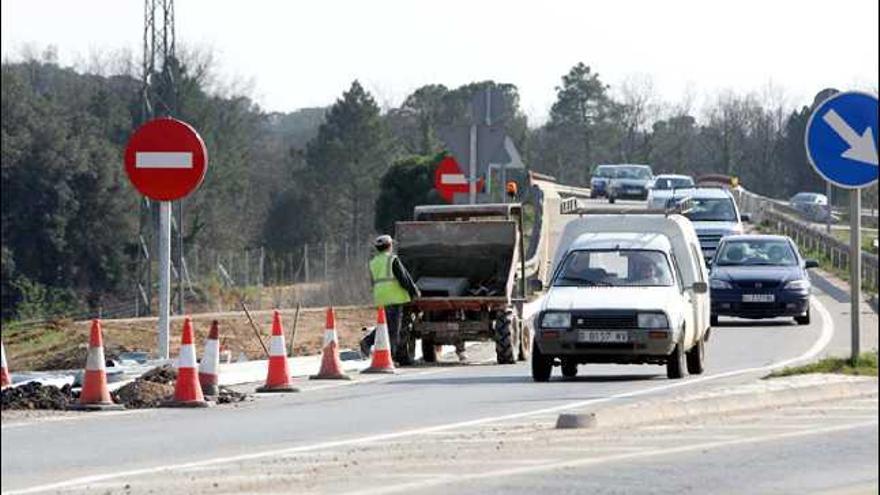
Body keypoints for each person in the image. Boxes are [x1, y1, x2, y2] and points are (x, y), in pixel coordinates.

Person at [360, 235, 420, 360]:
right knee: (393, 330)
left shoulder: (373, 262)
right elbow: (404, 278)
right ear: (390, 246)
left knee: (386, 325)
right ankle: (389, 356)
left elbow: (373, 282)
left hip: (381, 297)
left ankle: (394, 355)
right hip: (394, 297)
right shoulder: (392, 259)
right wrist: (414, 291)